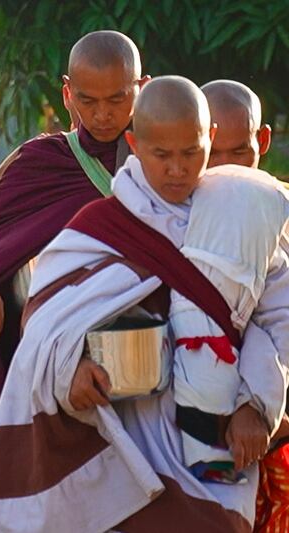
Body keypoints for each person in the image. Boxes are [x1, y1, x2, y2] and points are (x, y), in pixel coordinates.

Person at [0, 76, 289, 532]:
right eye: (161, 155)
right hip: (122, 432)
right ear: (134, 144)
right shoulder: (99, 224)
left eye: (191, 153)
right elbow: (45, 317)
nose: (176, 169)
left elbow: (275, 319)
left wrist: (257, 404)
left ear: (209, 139)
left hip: (214, 432)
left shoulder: (245, 217)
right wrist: (69, 369)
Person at [0, 30, 149, 532]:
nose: (103, 114)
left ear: (141, 88)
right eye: (87, 100)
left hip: (136, 371)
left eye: (117, 98)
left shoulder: (164, 165)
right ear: (67, 94)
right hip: (40, 371)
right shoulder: (40, 162)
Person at [202, 78, 289, 532]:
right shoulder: (176, 211)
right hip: (194, 427)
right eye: (211, 155)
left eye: (238, 154)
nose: (223, 170)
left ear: (264, 141)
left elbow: (275, 316)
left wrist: (257, 405)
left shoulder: (282, 209)